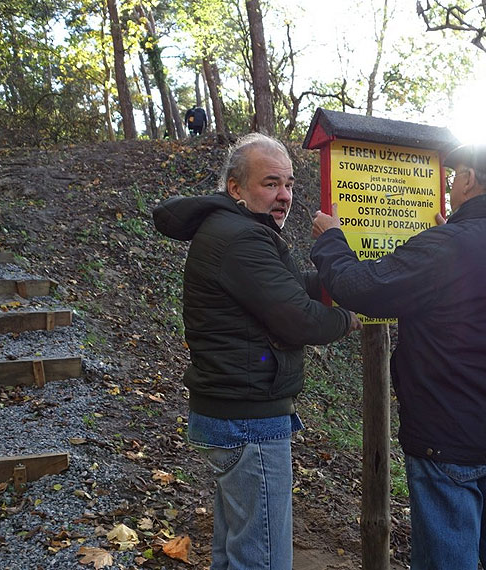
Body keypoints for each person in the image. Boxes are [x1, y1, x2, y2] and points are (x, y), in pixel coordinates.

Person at [309, 136, 486, 570]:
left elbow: (361, 289)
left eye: (456, 175)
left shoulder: (446, 247)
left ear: (469, 179)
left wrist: (331, 240)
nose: (453, 182)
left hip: (447, 442)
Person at [153, 133, 360, 570]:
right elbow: (298, 318)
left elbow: (283, 288)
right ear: (235, 188)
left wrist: (342, 279)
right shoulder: (242, 239)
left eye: (287, 184)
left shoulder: (237, 231)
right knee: (262, 558)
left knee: (235, 552)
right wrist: (351, 317)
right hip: (249, 418)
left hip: (233, 412)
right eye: (270, 184)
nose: (283, 195)